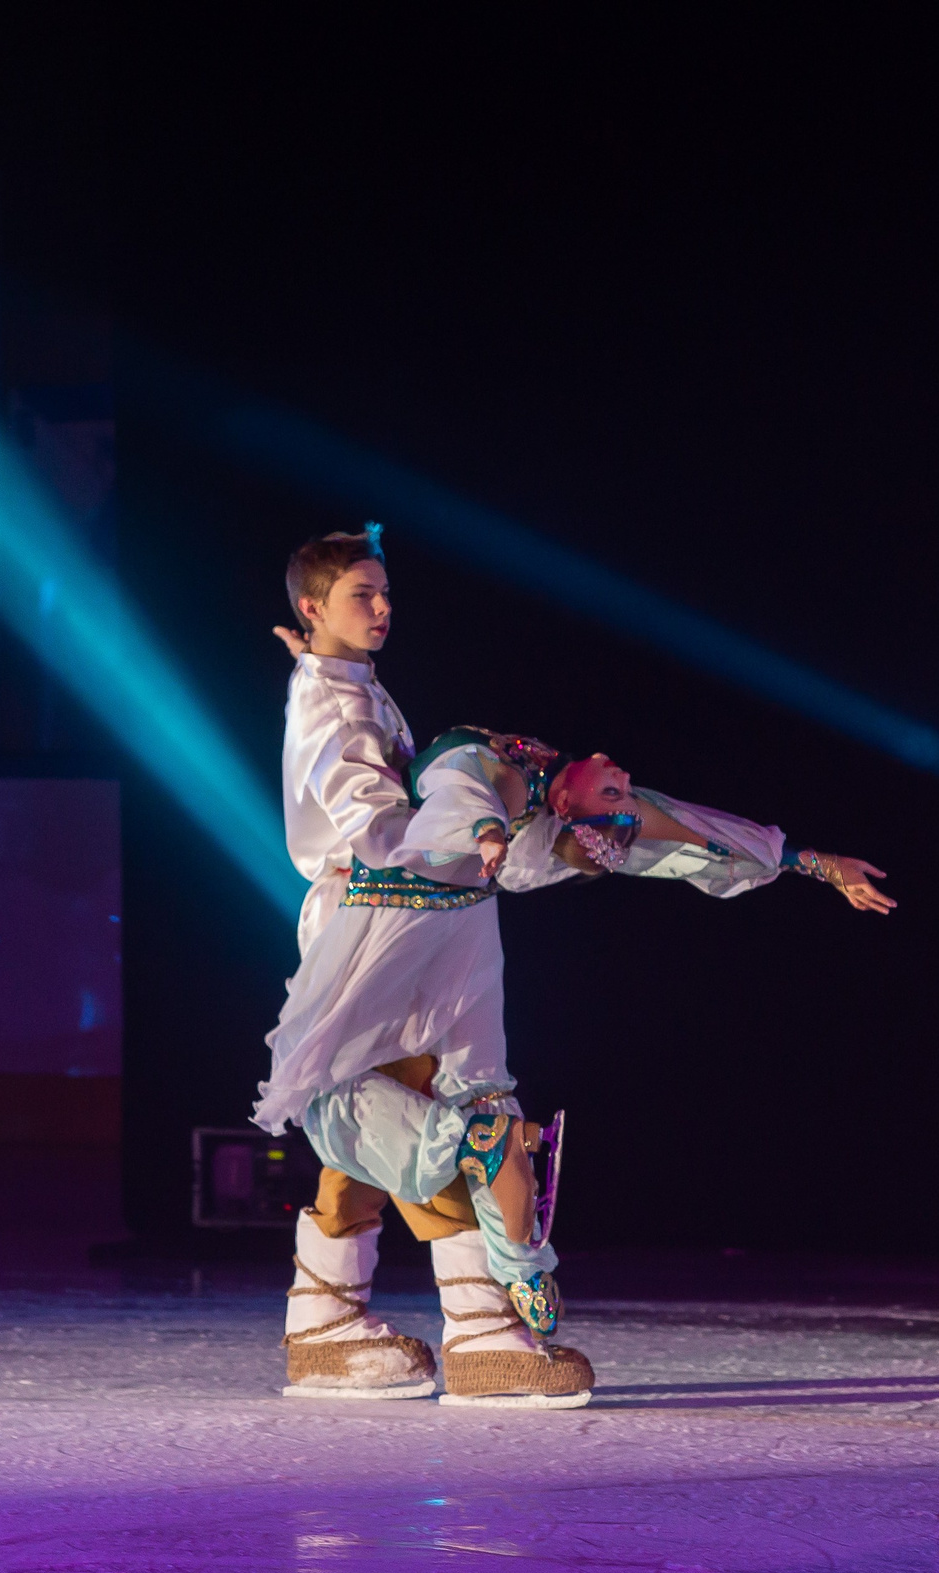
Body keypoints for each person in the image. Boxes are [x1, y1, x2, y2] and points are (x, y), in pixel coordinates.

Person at [260, 529, 894, 1409]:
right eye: (363, 594)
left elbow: (676, 828)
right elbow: (397, 809)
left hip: (447, 922)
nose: (384, 607)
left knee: (427, 1103)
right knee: (435, 1111)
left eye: (386, 592)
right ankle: (475, 1323)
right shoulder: (367, 712)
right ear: (313, 605)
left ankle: (334, 1317)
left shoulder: (366, 694)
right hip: (384, 917)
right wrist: (476, 829)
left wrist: (808, 862)